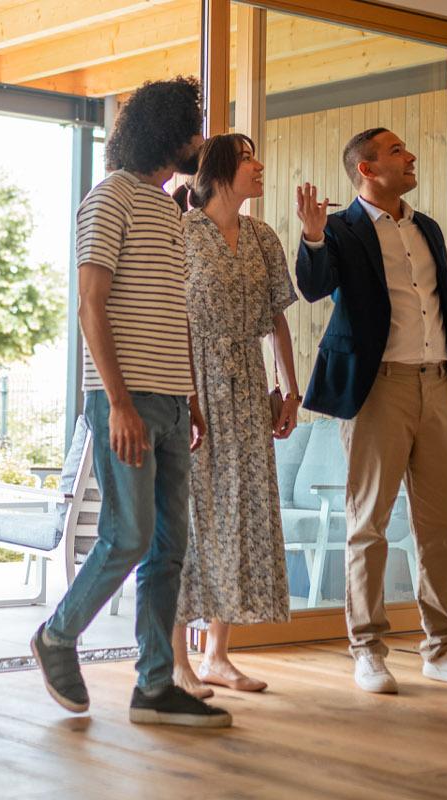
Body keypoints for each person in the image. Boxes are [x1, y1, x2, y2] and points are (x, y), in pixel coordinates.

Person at [293, 128, 447, 694]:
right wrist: (311, 237)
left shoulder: (426, 227)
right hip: (377, 389)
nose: (410, 157)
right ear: (366, 169)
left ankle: (443, 649)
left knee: (440, 527)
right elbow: (313, 288)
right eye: (396, 151)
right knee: (369, 526)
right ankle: (367, 651)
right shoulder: (340, 229)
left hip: (437, 385)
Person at [30, 77, 230, 728]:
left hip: (171, 399)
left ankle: (154, 685)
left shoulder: (171, 212)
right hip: (127, 400)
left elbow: (174, 314)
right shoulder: (109, 196)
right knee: (128, 536)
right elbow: (91, 305)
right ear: (164, 133)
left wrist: (190, 396)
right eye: (192, 128)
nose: (199, 139)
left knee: (170, 548)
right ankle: (58, 635)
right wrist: (117, 403)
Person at [167, 133, 300, 698]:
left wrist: (289, 389)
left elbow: (278, 319)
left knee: (242, 512)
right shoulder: (182, 232)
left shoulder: (263, 237)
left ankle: (218, 655)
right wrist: (186, 394)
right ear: (219, 171)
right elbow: (173, 320)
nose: (259, 165)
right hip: (193, 384)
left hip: (247, 385)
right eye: (248, 158)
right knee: (190, 518)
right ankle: (176, 661)